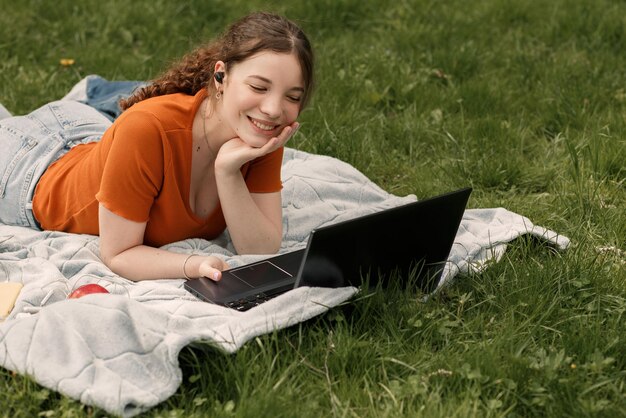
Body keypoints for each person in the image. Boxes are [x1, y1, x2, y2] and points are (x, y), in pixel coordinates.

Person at [0, 12, 315, 282]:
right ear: (220, 77)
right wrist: (190, 265)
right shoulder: (146, 129)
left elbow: (259, 248)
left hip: (92, 132)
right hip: (27, 171)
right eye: (259, 87)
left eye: (293, 97)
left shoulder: (261, 134)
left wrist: (228, 173)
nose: (274, 109)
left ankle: (96, 94)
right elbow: (118, 253)